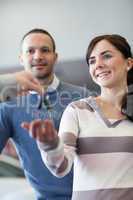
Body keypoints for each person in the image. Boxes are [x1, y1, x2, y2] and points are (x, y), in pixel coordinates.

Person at [23, 34, 133, 200]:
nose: (99, 65)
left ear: (129, 63)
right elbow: (61, 168)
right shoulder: (77, 110)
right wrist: (50, 145)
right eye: (92, 61)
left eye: (107, 56)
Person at [0, 28, 91, 200]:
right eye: (30, 51)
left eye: (45, 50)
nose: (38, 56)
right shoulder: (8, 106)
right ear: (21, 58)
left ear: (55, 57)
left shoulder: (83, 96)